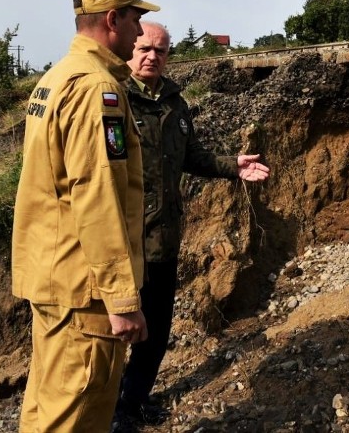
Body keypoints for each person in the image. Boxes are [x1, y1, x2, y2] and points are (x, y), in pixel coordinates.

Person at [12, 0, 160, 432]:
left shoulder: (55, 79)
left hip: (52, 272)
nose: (140, 33)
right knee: (75, 414)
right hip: (84, 287)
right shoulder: (98, 91)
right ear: (113, 19)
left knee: (45, 404)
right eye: (136, 19)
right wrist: (120, 297)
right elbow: (97, 195)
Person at [114, 21, 269, 428]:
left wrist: (232, 167)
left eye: (160, 51)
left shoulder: (174, 101)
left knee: (157, 329)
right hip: (121, 242)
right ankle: (107, 409)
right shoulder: (113, 98)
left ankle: (132, 402)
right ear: (130, 48)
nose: (152, 56)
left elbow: (192, 155)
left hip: (163, 239)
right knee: (116, 332)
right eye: (145, 48)